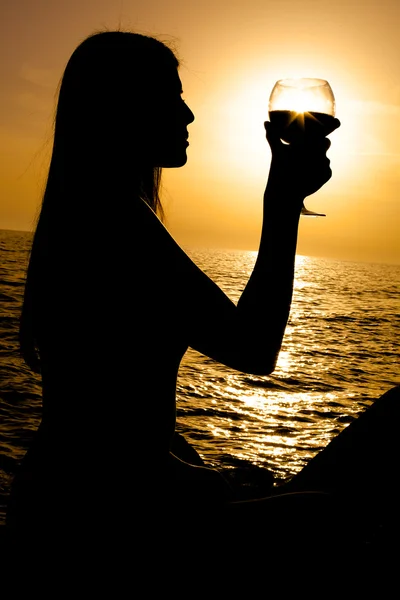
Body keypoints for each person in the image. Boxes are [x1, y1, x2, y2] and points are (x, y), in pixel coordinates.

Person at [6, 31, 399, 572]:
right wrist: (281, 203)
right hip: (107, 528)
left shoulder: (83, 213)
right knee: (337, 514)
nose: (188, 114)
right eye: (172, 95)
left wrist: (194, 474)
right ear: (124, 109)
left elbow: (109, 428)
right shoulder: (118, 228)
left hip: (60, 502)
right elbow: (255, 349)